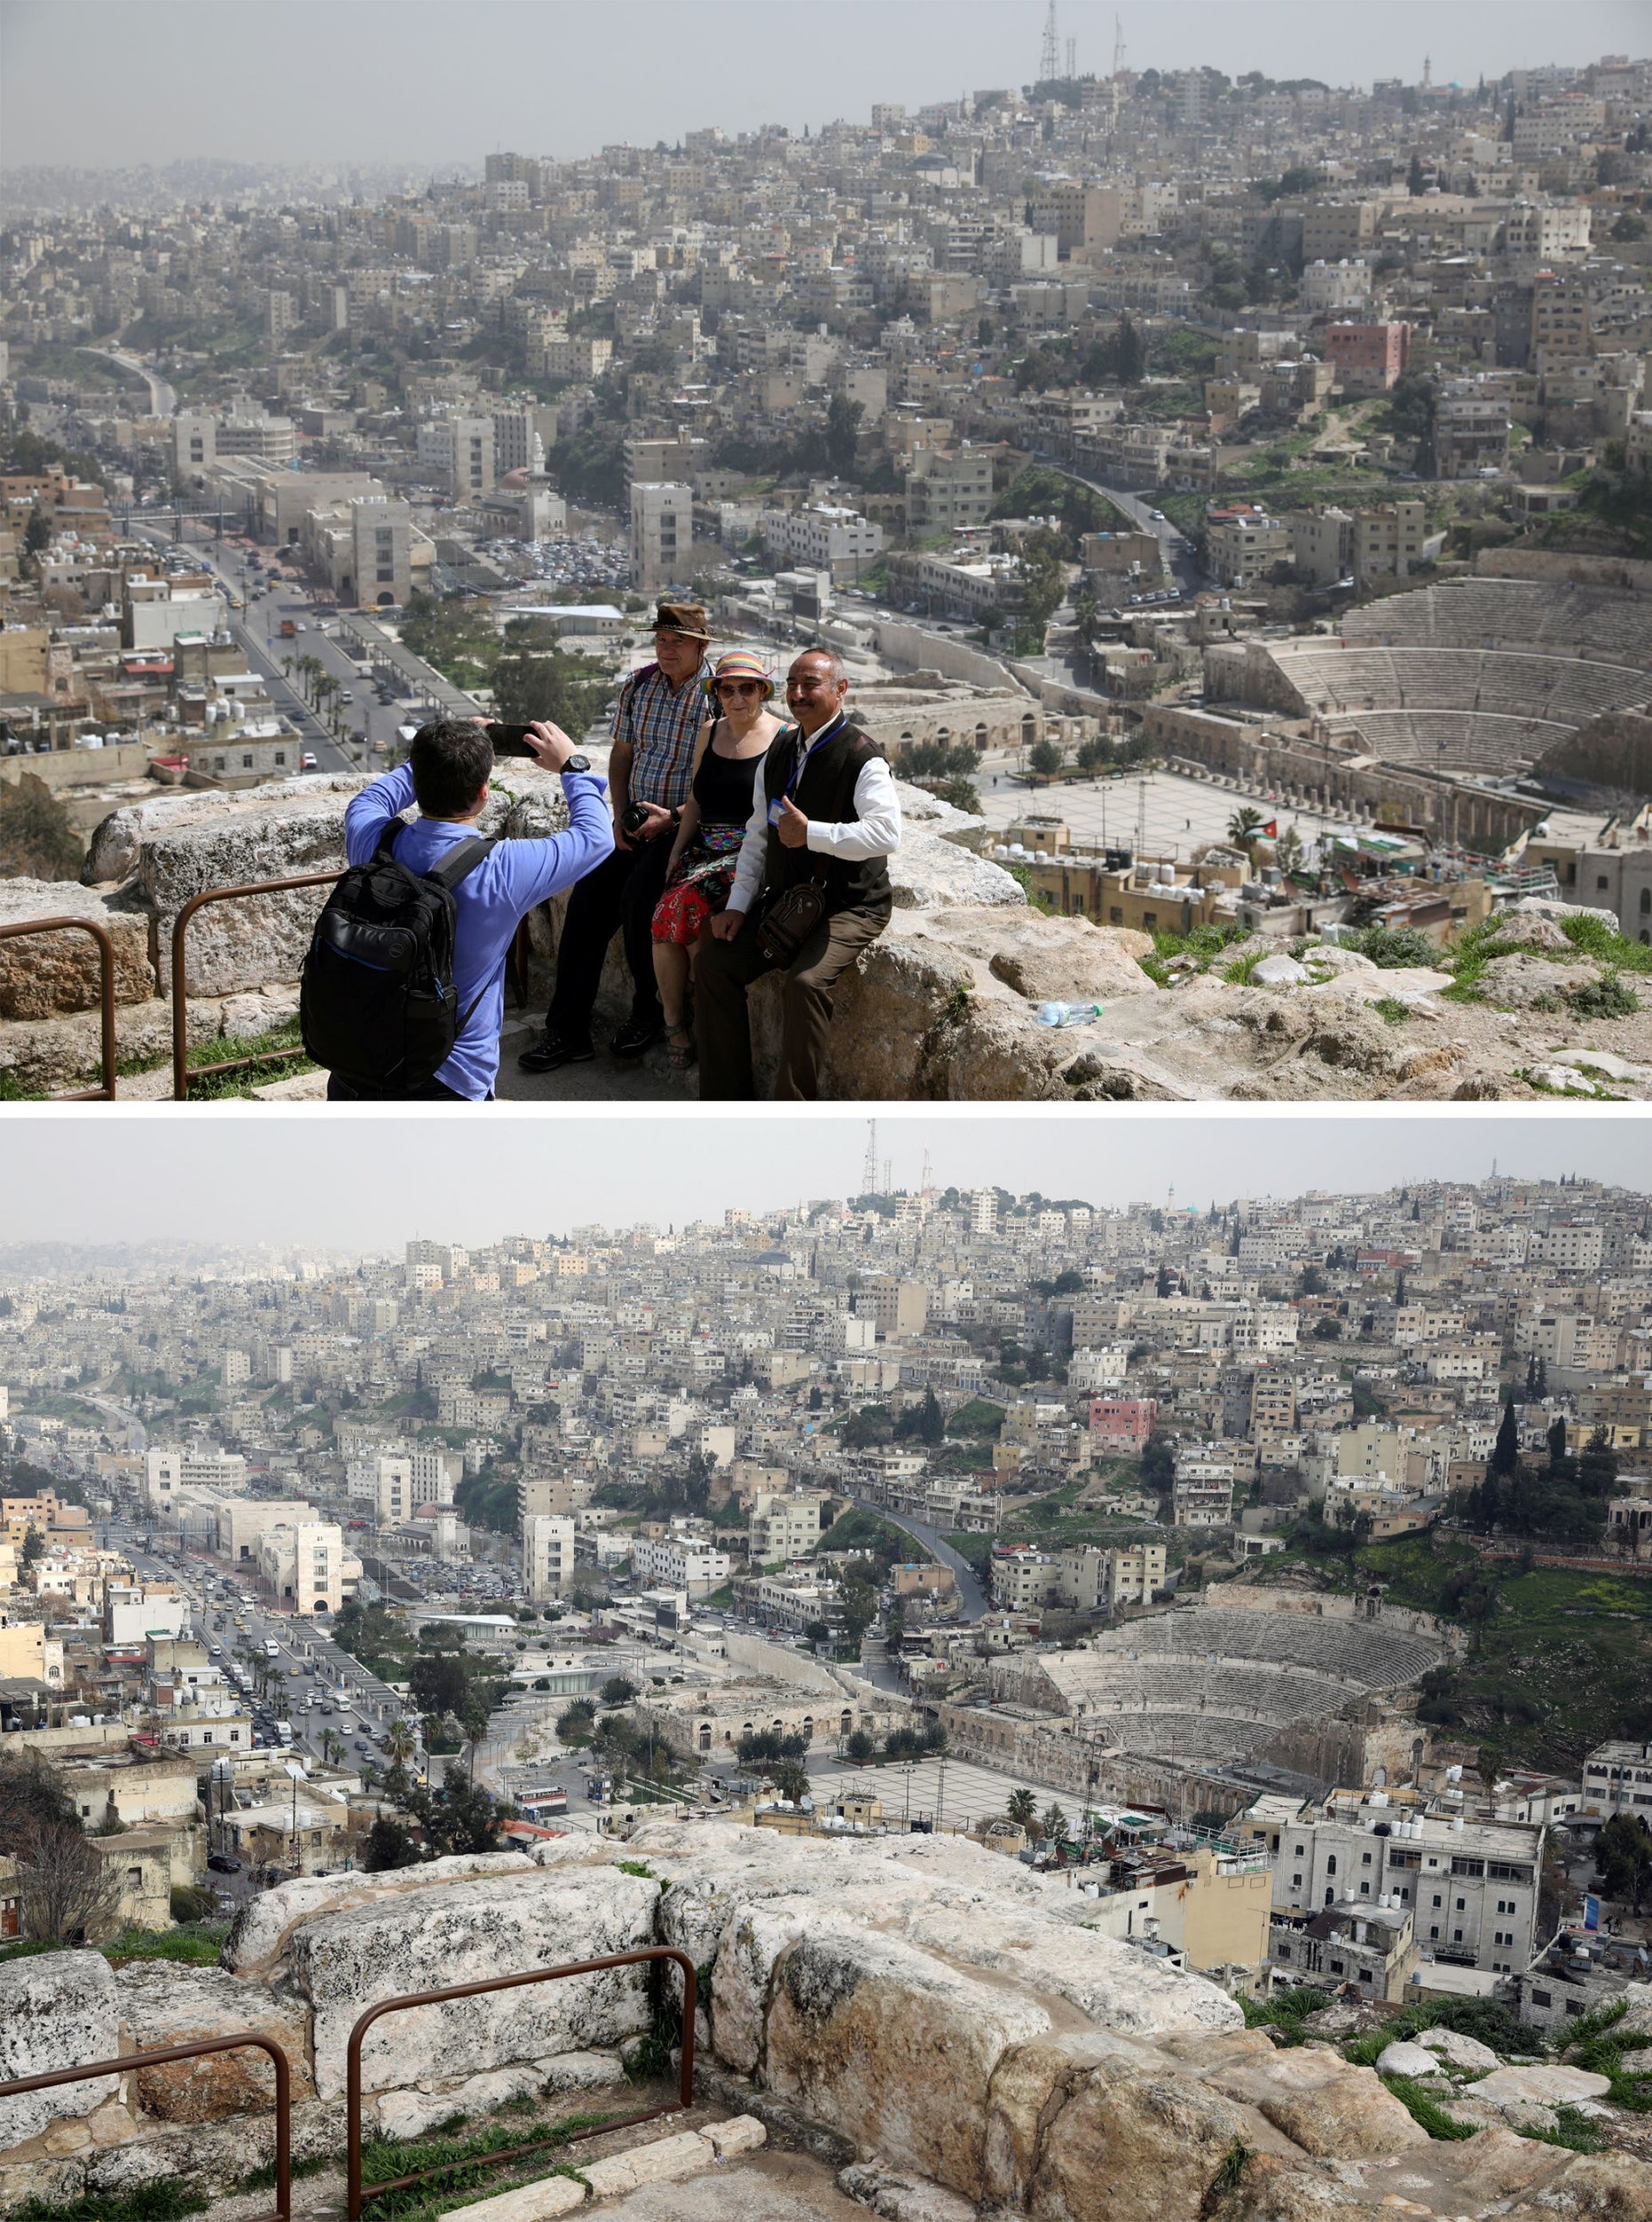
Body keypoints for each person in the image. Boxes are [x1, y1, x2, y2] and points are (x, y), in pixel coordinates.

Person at [332, 716, 611, 1100]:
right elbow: (596, 838)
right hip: (449, 1077)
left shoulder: (371, 839)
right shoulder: (504, 869)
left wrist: (435, 757)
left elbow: (374, 798)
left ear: (417, 784)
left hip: (357, 1062)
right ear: (484, 793)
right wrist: (572, 766)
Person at [695, 648, 901, 1099]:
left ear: (840, 690)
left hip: (851, 904)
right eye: (793, 684)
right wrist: (736, 906)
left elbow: (887, 834)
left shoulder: (863, 757)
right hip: (787, 897)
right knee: (713, 964)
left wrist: (813, 834)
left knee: (806, 985)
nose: (799, 693)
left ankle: (792, 1111)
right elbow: (757, 834)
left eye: (811, 684)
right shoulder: (781, 750)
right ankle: (725, 1099)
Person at [517, 600, 714, 1073]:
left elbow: (726, 778)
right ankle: (567, 1032)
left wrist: (673, 818)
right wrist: (619, 813)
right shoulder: (640, 686)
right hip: (634, 822)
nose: (666, 650)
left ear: (700, 645)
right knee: (586, 906)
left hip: (684, 826)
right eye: (661, 640)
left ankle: (648, 1014)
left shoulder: (717, 694)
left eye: (677, 641)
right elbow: (622, 754)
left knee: (639, 900)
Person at [650, 649, 781, 1068]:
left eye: (747, 688)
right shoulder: (709, 731)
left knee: (678, 907)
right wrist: (675, 851)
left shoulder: (783, 737)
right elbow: (696, 799)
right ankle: (675, 1021)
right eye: (729, 689)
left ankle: (692, 1014)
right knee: (661, 918)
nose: (738, 697)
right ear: (718, 692)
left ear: (762, 691)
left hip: (748, 853)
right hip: (703, 848)